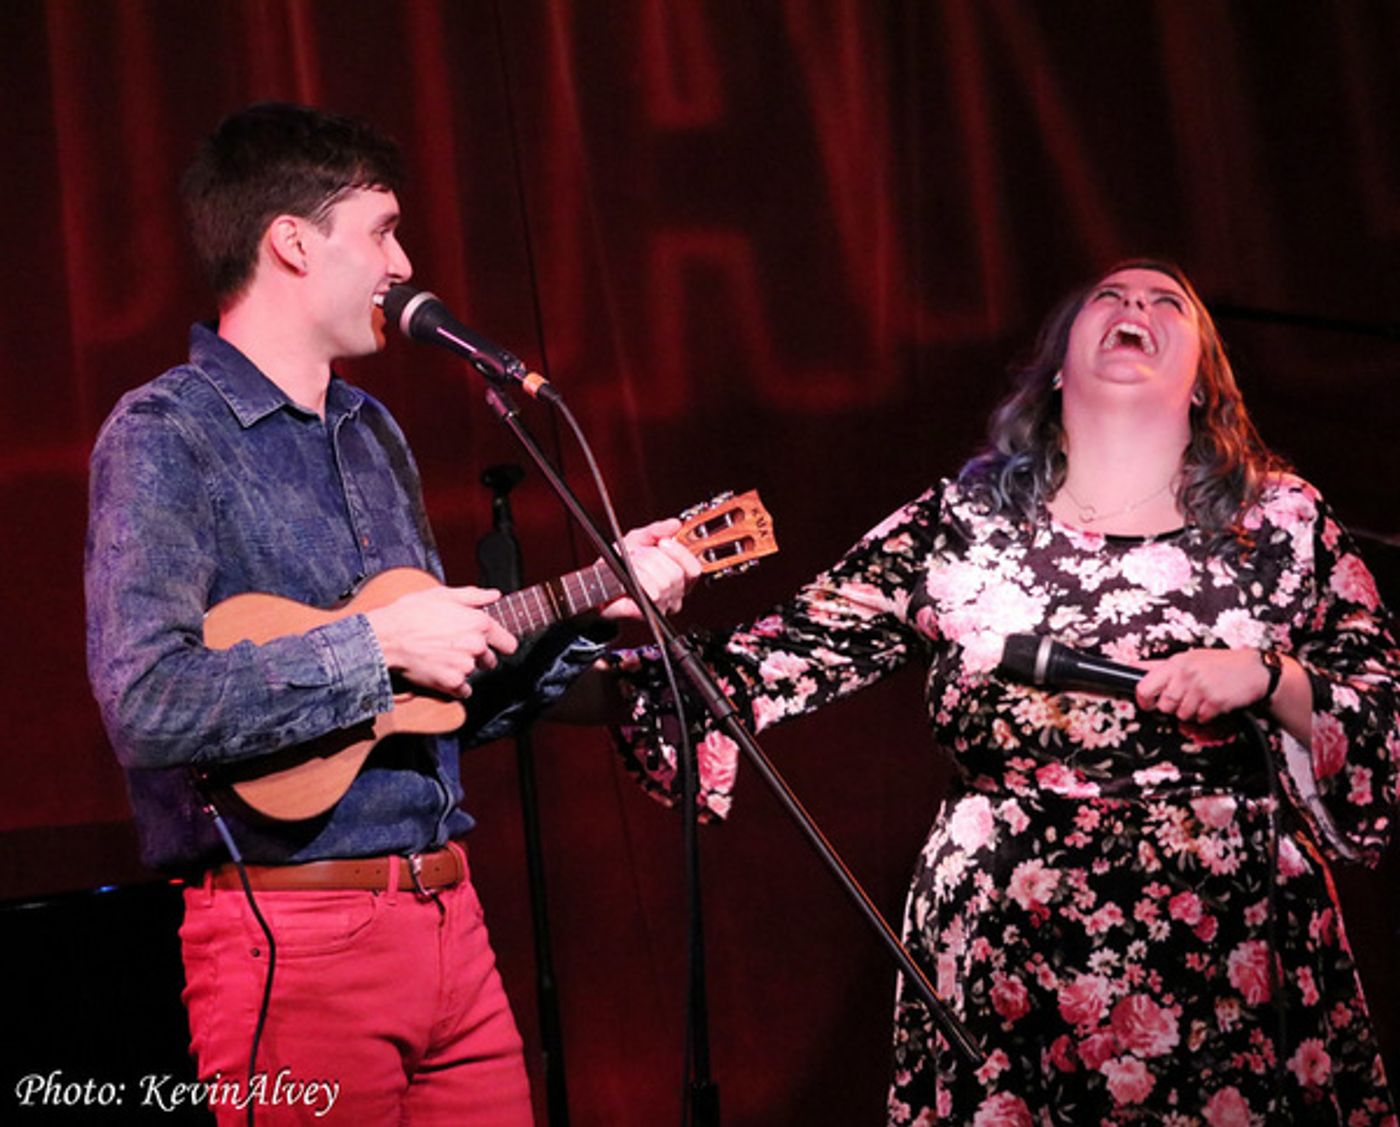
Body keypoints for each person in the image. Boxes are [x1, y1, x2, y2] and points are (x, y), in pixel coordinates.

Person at [607, 261, 1399, 1123]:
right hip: (1007, 941)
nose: (1134, 305)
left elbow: (1378, 713)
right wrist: (575, 654)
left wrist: (1271, 676)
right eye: (1109, 296)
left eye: (1167, 302)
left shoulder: (1281, 519)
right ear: (1058, 368)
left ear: (1206, 381)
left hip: (1230, 937)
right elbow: (788, 648)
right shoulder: (968, 516)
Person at [84, 102, 699, 1125]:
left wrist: (600, 598)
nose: (403, 263)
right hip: (294, 937)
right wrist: (374, 645)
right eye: (381, 231)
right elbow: (147, 702)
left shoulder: (375, 434)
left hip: (448, 919)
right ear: (292, 242)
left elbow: (436, 700)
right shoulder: (167, 433)